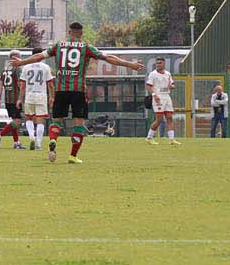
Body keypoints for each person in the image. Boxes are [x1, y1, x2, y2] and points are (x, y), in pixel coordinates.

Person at [14, 22, 143, 165]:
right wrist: (130, 65)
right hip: (78, 91)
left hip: (61, 90)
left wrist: (21, 62)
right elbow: (108, 58)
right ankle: (73, 156)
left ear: (69, 32)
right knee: (78, 124)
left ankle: (53, 139)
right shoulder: (86, 47)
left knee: (56, 121)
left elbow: (39, 56)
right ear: (81, 33)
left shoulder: (58, 46)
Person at [18, 49, 54, 150]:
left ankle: (31, 137)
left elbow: (22, 85)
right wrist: (52, 97)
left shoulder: (26, 67)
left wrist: (20, 99)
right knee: (40, 121)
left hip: (29, 95)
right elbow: (50, 85)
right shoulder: (46, 67)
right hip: (41, 96)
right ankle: (38, 143)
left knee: (28, 118)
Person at [0, 50, 26, 149]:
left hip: (7, 100)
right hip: (16, 100)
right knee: (17, 122)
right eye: (19, 57)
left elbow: (0, 85)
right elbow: (20, 84)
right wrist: (22, 97)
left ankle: (16, 143)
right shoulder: (18, 70)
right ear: (15, 58)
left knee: (14, 122)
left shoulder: (5, 70)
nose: (20, 59)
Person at [145, 57, 180, 147]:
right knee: (159, 119)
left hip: (167, 97)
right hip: (158, 97)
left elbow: (172, 84)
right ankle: (149, 137)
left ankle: (172, 139)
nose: (158, 65)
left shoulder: (168, 74)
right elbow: (148, 86)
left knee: (169, 117)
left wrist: (172, 86)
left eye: (160, 63)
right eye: (157, 63)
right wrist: (154, 95)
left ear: (164, 64)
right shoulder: (153, 74)